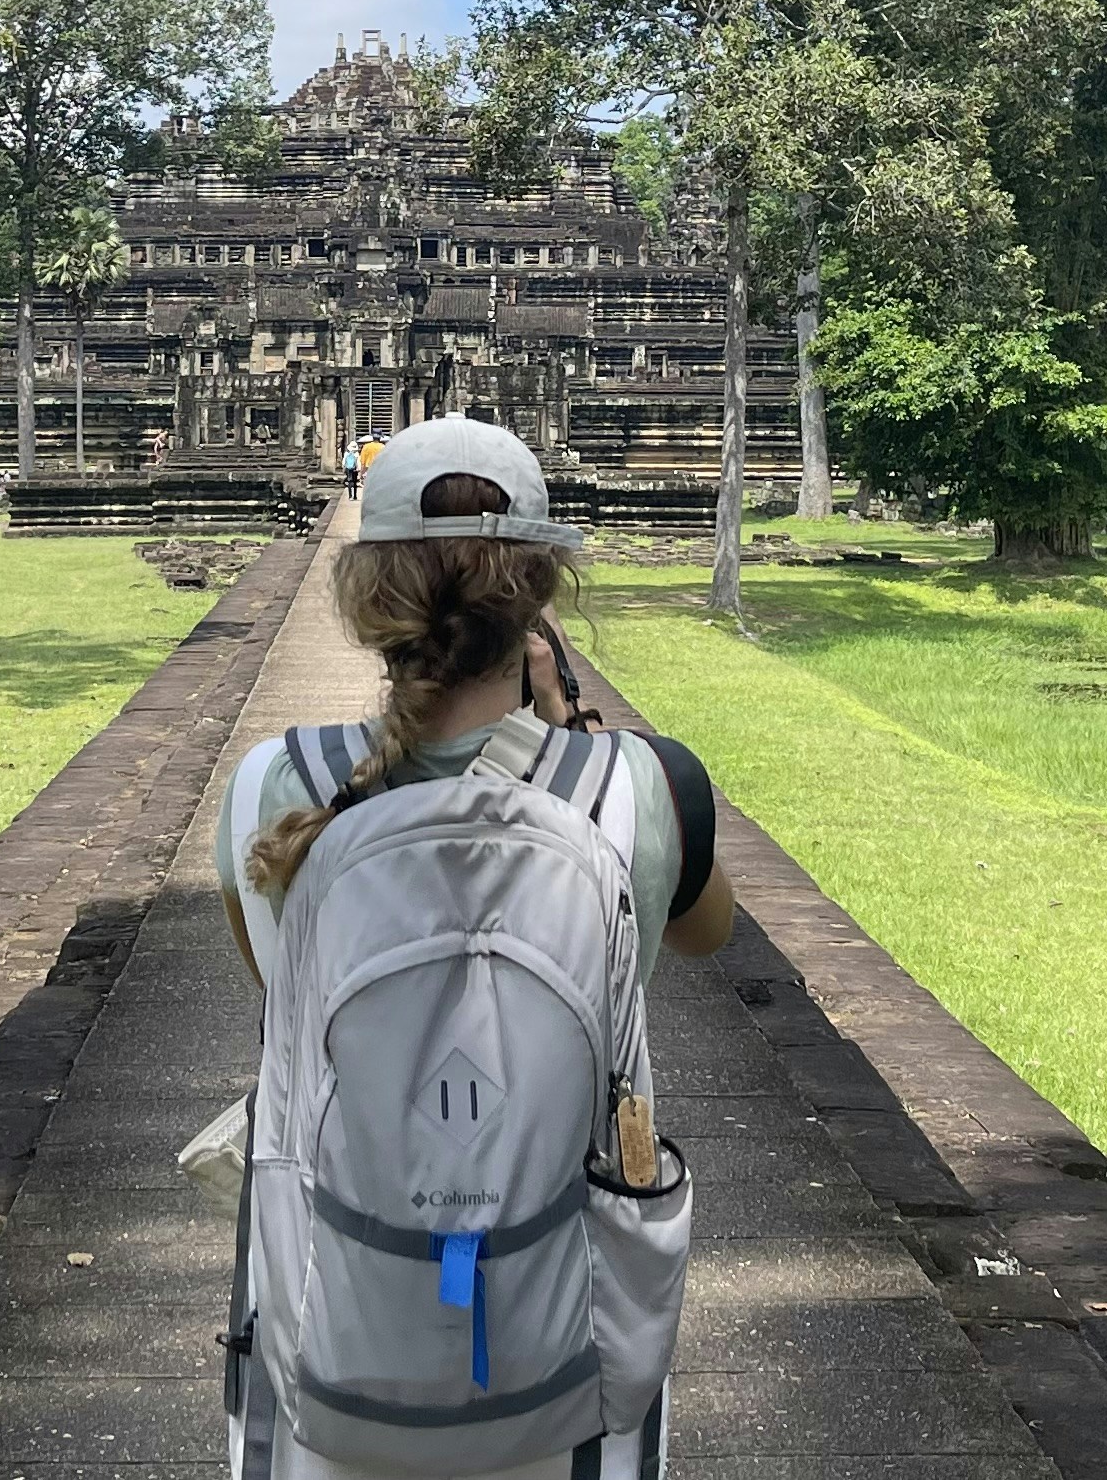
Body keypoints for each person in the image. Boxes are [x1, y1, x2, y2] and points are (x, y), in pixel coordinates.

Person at [215, 417, 731, 1480]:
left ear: (369, 603)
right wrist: (575, 729)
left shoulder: (278, 790)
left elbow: (279, 976)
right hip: (569, 1333)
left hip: (335, 1326)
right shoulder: (642, 787)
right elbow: (703, 931)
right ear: (541, 595)